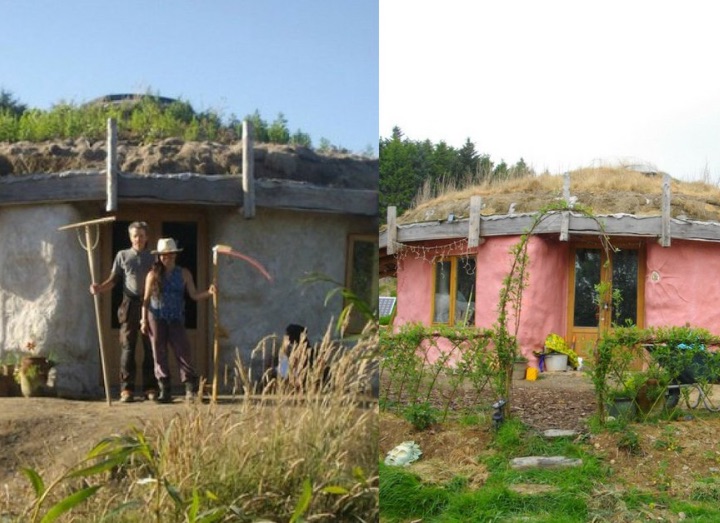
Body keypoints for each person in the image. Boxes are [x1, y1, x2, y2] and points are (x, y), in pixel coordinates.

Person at [140, 237, 215, 403]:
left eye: (170, 255)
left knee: (183, 352)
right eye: (164, 255)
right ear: (159, 256)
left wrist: (209, 293)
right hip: (156, 317)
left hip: (176, 318)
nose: (167, 258)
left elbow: (194, 295)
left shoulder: (184, 273)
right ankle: (165, 391)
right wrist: (143, 320)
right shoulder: (152, 275)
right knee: (159, 353)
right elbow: (145, 299)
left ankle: (190, 390)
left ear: (175, 255)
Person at [90, 221, 158, 403]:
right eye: (135, 235)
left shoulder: (153, 257)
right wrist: (99, 288)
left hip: (150, 304)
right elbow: (114, 280)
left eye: (141, 235)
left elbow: (160, 282)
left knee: (150, 348)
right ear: (130, 237)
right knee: (128, 347)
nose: (138, 239)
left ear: (147, 237)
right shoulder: (122, 255)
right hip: (129, 304)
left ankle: (150, 388)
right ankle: (126, 389)